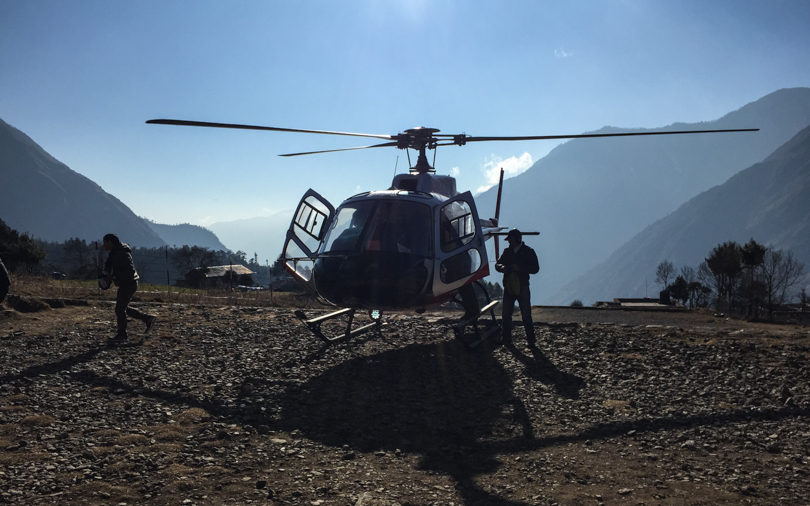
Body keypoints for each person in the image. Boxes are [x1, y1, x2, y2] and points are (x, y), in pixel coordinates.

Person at [101, 234, 156, 343]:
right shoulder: (116, 253)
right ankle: (147, 319)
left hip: (128, 283)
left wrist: (114, 276)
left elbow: (129, 271)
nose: (104, 246)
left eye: (105, 243)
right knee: (122, 308)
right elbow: (110, 267)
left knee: (120, 309)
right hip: (127, 283)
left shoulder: (121, 253)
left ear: (110, 242)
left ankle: (122, 335)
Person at [495, 229, 539, 345]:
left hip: (522, 286)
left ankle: (531, 340)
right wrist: (502, 267)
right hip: (509, 286)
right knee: (506, 314)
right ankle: (506, 339)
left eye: (511, 239)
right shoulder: (507, 251)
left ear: (517, 239)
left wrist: (520, 269)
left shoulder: (529, 251)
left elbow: (535, 269)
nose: (509, 241)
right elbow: (497, 264)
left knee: (526, 315)